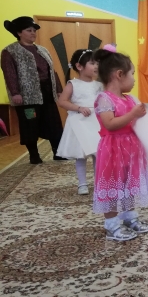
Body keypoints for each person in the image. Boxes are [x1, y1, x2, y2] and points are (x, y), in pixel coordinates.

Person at [92, 47, 148, 241]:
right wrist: (133, 114)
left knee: (128, 183)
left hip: (130, 149)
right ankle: (111, 224)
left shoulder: (129, 98)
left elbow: (133, 122)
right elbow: (109, 124)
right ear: (119, 74)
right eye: (132, 74)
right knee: (111, 185)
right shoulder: (104, 98)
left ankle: (129, 216)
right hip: (112, 149)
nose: (134, 79)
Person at [1, 16, 65, 163]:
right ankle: (34, 155)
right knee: (29, 124)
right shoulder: (10, 51)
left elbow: (52, 71)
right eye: (29, 30)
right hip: (27, 97)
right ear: (19, 33)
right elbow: (9, 73)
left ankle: (58, 152)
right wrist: (15, 93)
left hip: (47, 92)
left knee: (53, 122)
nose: (33, 33)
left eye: (34, 30)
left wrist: (58, 89)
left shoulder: (43, 50)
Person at [56, 49, 103, 195]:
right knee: (80, 155)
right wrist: (79, 108)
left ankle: (99, 182)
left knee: (98, 153)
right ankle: (82, 184)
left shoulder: (99, 85)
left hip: (95, 123)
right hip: (80, 123)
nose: (96, 66)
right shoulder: (73, 84)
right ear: (79, 66)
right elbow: (62, 101)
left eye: (97, 63)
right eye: (92, 63)